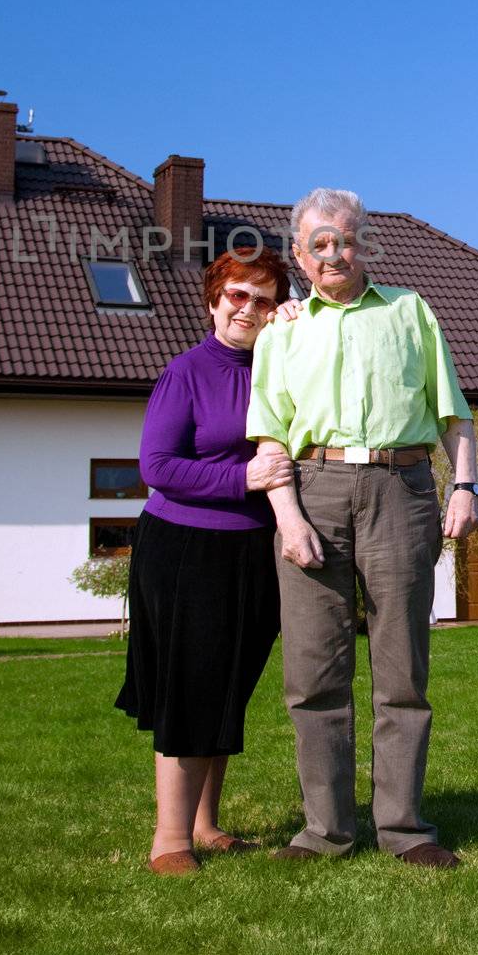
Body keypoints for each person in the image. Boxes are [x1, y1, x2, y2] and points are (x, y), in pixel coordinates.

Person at [247, 189, 478, 869]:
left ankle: (404, 829)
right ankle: (324, 830)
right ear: (297, 254)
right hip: (309, 490)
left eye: (343, 241)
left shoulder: (410, 312)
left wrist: (464, 485)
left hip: (399, 488)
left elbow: (452, 413)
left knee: (401, 670)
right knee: (312, 671)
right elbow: (267, 440)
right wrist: (287, 519)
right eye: (317, 243)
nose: (332, 254)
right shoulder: (282, 330)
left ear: (363, 245)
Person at [115, 248, 295, 875]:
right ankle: (170, 840)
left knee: (229, 687)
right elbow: (156, 468)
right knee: (191, 689)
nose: (249, 308)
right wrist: (242, 478)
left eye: (264, 298)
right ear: (214, 301)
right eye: (238, 295)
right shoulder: (186, 372)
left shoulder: (280, 366)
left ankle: (206, 824)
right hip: (187, 548)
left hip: (256, 549)